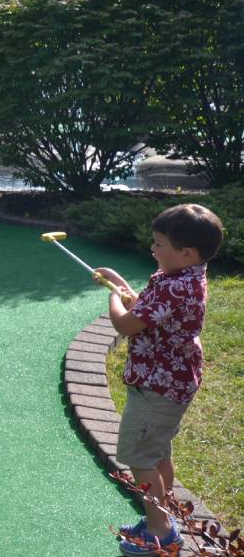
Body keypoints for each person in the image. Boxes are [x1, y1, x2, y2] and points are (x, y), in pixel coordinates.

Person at [94, 204, 224, 557]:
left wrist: (112, 300)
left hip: (158, 386)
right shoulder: (178, 277)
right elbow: (147, 310)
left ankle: (160, 532)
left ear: (186, 252)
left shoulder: (175, 286)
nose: (153, 249)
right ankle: (162, 516)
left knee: (138, 454)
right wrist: (120, 285)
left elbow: (127, 324)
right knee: (157, 452)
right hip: (168, 380)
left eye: (159, 244)